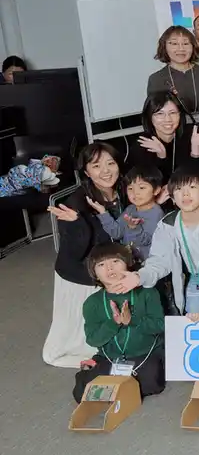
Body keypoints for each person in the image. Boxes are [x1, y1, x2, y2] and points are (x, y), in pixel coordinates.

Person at [45, 143, 126, 367]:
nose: (106, 171)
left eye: (110, 163)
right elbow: (75, 253)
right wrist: (78, 224)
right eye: (96, 166)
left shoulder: (124, 189)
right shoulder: (76, 203)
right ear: (87, 172)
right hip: (83, 273)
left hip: (112, 264)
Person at [73, 244, 165, 403]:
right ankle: (99, 373)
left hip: (145, 355)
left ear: (128, 264)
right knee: (82, 392)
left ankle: (115, 387)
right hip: (111, 358)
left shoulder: (147, 292)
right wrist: (113, 323)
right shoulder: (92, 303)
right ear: (94, 273)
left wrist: (132, 321)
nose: (109, 268)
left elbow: (159, 326)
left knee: (153, 382)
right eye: (101, 265)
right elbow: (93, 339)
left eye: (115, 261)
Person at [132, 168, 199, 314]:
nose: (185, 193)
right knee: (194, 314)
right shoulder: (167, 225)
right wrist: (140, 276)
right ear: (172, 197)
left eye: (192, 187)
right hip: (193, 280)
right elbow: (159, 260)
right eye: (178, 189)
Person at [124, 92, 199, 184]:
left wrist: (196, 150)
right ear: (149, 117)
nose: (168, 119)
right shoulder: (142, 145)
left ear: (180, 114)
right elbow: (150, 186)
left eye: (173, 113)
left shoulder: (191, 136)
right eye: (160, 114)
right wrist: (161, 157)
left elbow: (197, 182)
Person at [146, 25, 199, 130]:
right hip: (174, 136)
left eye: (186, 43)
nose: (181, 48)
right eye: (174, 43)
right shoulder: (156, 79)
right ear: (164, 47)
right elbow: (155, 116)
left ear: (193, 46)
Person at [92, 164, 165, 261]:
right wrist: (103, 212)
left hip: (145, 263)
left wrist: (134, 228)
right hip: (126, 259)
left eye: (142, 188)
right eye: (130, 188)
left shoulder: (156, 213)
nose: (135, 193)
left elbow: (145, 241)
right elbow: (116, 233)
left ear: (156, 190)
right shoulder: (130, 209)